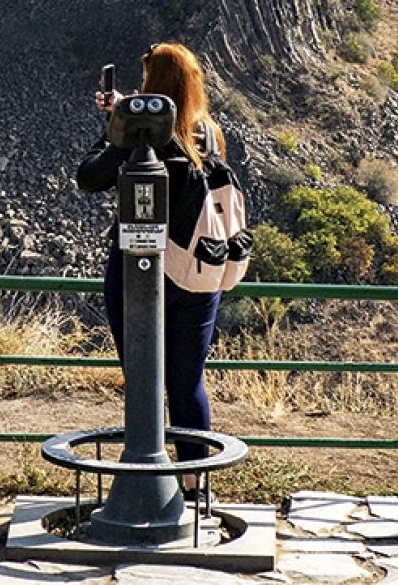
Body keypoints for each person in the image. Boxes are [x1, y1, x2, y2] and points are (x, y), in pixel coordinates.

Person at [76, 42, 226, 485]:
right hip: (198, 274)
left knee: (143, 379)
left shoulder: (141, 135)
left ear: (155, 84)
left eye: (145, 81)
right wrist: (124, 112)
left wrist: (122, 124)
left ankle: (146, 476)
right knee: (187, 383)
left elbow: (90, 176)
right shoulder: (210, 134)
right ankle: (197, 483)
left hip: (138, 272)